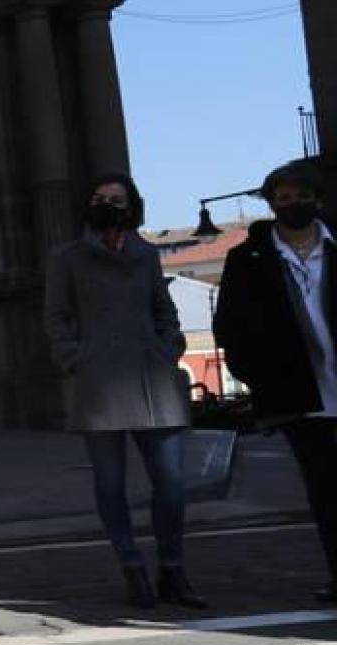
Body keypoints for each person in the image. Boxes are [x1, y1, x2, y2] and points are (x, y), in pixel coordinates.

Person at [44, 172, 205, 611]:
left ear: (132, 206)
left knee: (171, 484)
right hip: (100, 385)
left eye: (115, 199)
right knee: (111, 483)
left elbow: (163, 308)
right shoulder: (68, 258)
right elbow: (56, 318)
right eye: (99, 198)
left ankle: (172, 568)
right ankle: (132, 566)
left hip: (153, 382)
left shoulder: (146, 255)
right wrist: (77, 358)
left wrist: (169, 347)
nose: (107, 205)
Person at [213, 161, 337, 604]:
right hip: (300, 397)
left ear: (317, 201)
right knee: (325, 490)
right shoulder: (247, 258)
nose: (292, 205)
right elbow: (230, 326)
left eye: (301, 197)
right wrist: (260, 379)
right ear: (272, 205)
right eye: (282, 200)